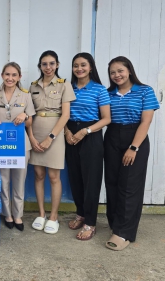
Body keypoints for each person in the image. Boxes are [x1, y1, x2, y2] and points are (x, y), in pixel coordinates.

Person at [104, 56, 159, 251]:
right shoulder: (108, 93)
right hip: (112, 136)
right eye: (112, 72)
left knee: (129, 185)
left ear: (129, 70)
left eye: (120, 70)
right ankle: (115, 224)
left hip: (135, 137)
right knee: (112, 182)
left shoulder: (145, 91)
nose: (116, 75)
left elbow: (146, 122)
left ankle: (124, 232)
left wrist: (134, 147)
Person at [64, 53, 111, 240]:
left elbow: (107, 118)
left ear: (91, 67)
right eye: (76, 65)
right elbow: (62, 113)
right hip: (70, 134)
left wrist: (85, 131)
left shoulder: (99, 90)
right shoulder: (67, 88)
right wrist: (67, 131)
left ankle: (90, 223)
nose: (79, 69)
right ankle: (81, 214)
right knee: (75, 178)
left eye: (83, 65)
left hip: (91, 134)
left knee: (91, 180)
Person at [28, 50, 75, 234]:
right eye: (44, 64)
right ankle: (41, 214)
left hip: (55, 133)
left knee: (54, 177)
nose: (48, 67)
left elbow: (66, 115)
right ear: (40, 66)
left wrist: (51, 138)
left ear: (57, 65)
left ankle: (54, 217)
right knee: (38, 175)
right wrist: (31, 137)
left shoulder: (64, 85)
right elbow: (29, 114)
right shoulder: (33, 87)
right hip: (36, 130)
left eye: (52, 63)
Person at [0, 62, 36, 231]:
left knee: (19, 181)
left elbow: (30, 122)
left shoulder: (25, 96)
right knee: (4, 181)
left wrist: (25, 114)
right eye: (7, 74)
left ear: (19, 77)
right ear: (2, 75)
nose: (10, 78)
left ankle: (18, 215)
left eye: (14, 75)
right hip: (1, 145)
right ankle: (7, 214)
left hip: (20, 145)